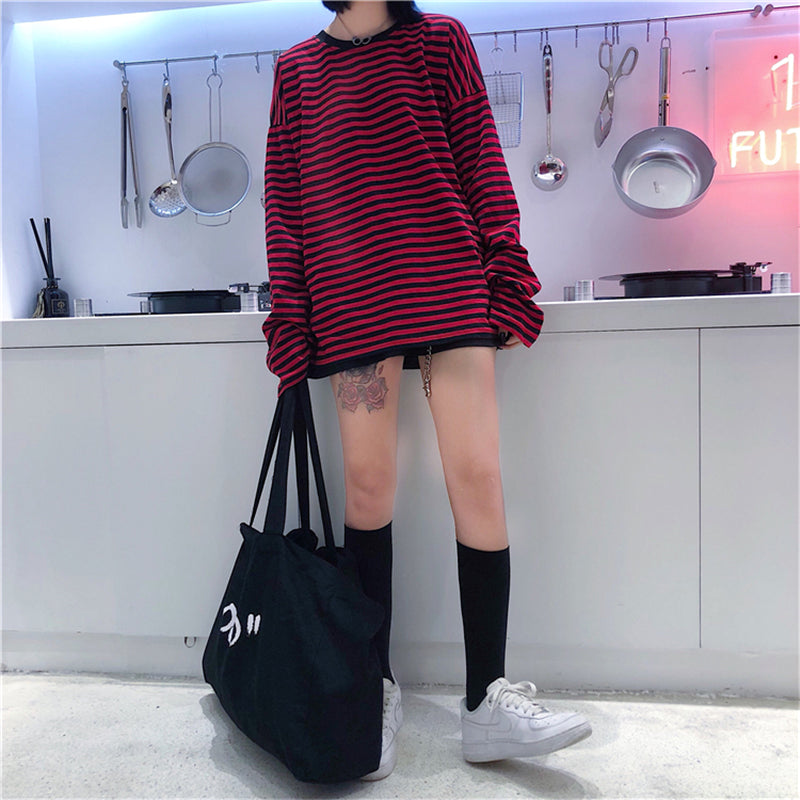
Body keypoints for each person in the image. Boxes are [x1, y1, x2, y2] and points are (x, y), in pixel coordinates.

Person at [262, 0, 591, 781]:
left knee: (477, 478)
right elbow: (285, 202)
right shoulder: (297, 70)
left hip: (447, 281)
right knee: (368, 489)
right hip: (352, 295)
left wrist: (506, 273)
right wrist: (291, 315)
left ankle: (487, 702)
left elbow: (480, 159)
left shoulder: (440, 40)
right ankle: (370, 689)